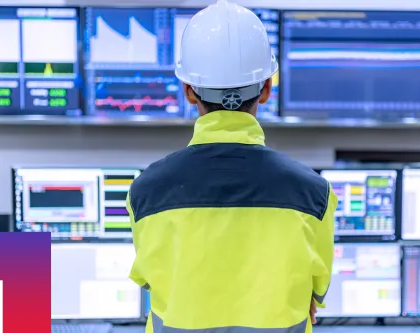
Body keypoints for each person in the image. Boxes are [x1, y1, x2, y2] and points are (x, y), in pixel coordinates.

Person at [126, 1, 337, 333]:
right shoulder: (314, 194)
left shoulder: (145, 192)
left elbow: (149, 280)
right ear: (267, 88)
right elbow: (317, 291)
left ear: (188, 91)